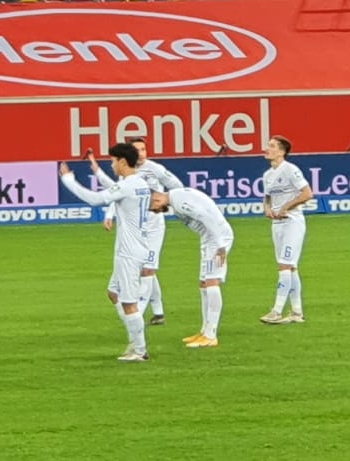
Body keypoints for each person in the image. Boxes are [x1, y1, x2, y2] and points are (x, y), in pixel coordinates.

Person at [59, 144, 158, 362]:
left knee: (129, 302)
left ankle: (140, 350)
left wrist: (68, 181)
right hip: (137, 246)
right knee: (114, 293)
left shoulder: (129, 185)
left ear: (123, 162)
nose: (112, 165)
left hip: (129, 251)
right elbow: (114, 190)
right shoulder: (138, 183)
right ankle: (135, 341)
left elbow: (96, 199)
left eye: (113, 161)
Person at [101, 138, 181, 327]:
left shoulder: (155, 169)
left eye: (144, 149)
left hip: (154, 227)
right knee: (145, 269)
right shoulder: (127, 175)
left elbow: (177, 186)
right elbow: (117, 195)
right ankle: (159, 312)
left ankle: (138, 313)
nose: (141, 153)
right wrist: (110, 214)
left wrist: (171, 204)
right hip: (136, 230)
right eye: (137, 150)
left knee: (147, 270)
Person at [151, 186, 234, 348]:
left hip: (217, 239)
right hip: (209, 239)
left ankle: (211, 335)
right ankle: (204, 331)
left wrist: (220, 245)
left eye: (153, 209)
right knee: (204, 283)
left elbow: (206, 217)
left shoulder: (180, 202)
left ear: (156, 199)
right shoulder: (177, 198)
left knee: (211, 282)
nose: (156, 212)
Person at [260, 135, 313, 325]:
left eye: (272, 146)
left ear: (281, 152)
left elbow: (307, 193)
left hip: (292, 222)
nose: (267, 149)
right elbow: (267, 197)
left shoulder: (291, 170)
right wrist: (267, 208)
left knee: (284, 265)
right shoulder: (267, 175)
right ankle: (297, 313)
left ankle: (276, 310)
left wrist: (286, 207)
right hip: (277, 224)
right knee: (290, 267)